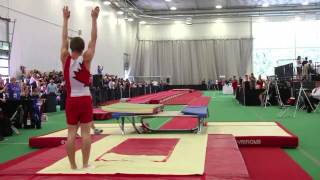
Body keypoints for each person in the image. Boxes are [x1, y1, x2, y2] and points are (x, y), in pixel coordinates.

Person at [60, 6, 99, 170]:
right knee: (85, 133)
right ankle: (84, 163)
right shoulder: (87, 58)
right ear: (83, 49)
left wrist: (65, 19)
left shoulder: (64, 56)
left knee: (70, 134)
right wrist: (94, 19)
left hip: (71, 100)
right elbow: (94, 39)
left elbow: (63, 39)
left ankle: (73, 165)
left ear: (70, 48)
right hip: (84, 98)